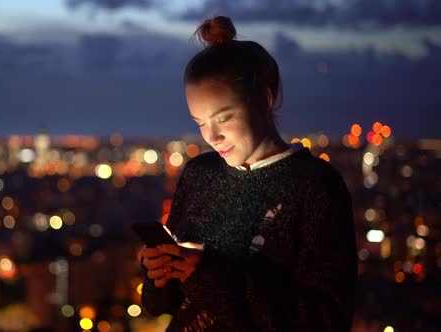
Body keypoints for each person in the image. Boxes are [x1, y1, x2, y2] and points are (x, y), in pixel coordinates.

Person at [139, 16, 357, 332]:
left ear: (264, 99)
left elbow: (326, 320)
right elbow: (165, 305)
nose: (211, 137)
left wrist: (207, 275)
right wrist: (160, 276)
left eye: (224, 118)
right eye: (200, 123)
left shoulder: (316, 186)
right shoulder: (199, 174)